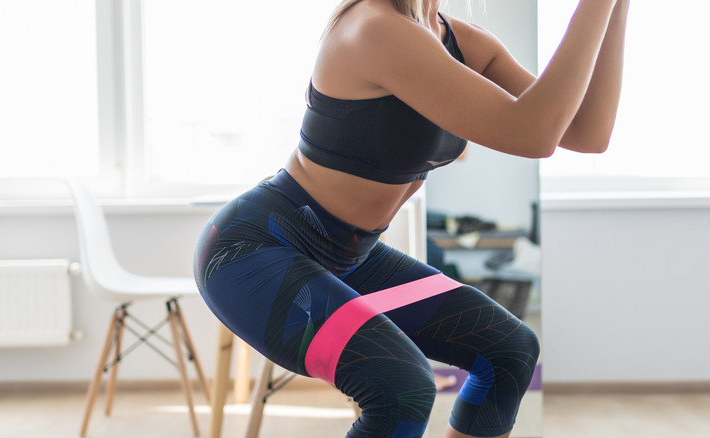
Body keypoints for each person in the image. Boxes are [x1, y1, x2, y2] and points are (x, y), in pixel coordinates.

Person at [194, 0, 629, 436]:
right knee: (401, 386)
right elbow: (534, 133)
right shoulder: (376, 27)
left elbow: (587, 132)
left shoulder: (458, 41)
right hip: (256, 249)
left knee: (509, 350)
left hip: (350, 256)